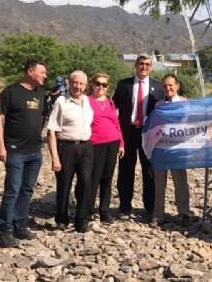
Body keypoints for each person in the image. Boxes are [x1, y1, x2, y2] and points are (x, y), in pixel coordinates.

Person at [0, 59, 49, 248]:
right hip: (15, 151)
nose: (45, 76)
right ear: (30, 72)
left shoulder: (41, 94)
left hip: (34, 152)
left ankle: (20, 224)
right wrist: (1, 146)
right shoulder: (10, 92)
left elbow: (43, 116)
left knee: (27, 190)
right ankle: (5, 230)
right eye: (42, 72)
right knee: (12, 190)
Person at [112, 55, 164, 218]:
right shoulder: (123, 84)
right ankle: (124, 206)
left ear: (151, 67)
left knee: (149, 170)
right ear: (135, 65)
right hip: (128, 132)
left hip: (148, 134)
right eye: (141, 64)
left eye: (147, 64)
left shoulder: (158, 87)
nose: (144, 67)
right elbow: (113, 107)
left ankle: (150, 207)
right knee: (125, 170)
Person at [47, 70, 95, 232]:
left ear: (85, 85)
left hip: (86, 146)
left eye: (81, 84)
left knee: (86, 182)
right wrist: (55, 157)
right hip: (66, 147)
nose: (78, 86)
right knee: (64, 183)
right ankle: (61, 219)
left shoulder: (88, 101)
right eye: (75, 83)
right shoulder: (61, 102)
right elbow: (51, 131)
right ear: (69, 83)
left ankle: (81, 220)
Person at [150, 74, 192, 227]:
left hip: (178, 149)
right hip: (161, 149)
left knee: (181, 183)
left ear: (177, 86)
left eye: (171, 85)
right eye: (165, 86)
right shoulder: (159, 105)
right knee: (159, 184)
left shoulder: (186, 103)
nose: (168, 88)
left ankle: (184, 213)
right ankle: (158, 215)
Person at [88, 72, 125, 224]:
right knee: (94, 177)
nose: (101, 87)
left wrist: (121, 143)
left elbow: (116, 122)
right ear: (92, 85)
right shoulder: (87, 101)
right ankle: (88, 209)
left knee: (107, 177)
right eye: (98, 84)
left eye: (104, 84)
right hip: (95, 142)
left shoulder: (110, 102)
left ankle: (104, 210)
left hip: (112, 141)